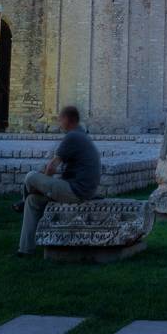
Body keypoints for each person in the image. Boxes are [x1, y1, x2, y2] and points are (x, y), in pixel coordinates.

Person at [15, 105, 100, 257]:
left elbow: (52, 167)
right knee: (33, 201)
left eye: (60, 119)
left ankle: (22, 199)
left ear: (67, 120)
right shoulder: (82, 135)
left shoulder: (72, 137)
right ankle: (25, 250)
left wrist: (42, 184)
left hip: (75, 191)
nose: (59, 123)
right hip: (82, 189)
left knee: (31, 176)